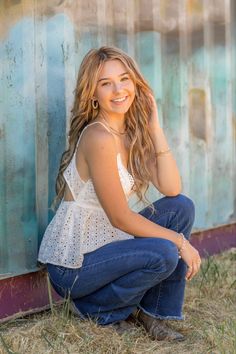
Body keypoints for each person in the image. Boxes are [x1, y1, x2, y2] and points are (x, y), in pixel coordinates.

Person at [38, 46, 201, 341]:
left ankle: (154, 313)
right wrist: (180, 242)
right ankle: (97, 309)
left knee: (181, 207)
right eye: (105, 83)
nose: (118, 89)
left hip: (107, 246)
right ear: (93, 94)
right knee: (164, 252)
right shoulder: (98, 136)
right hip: (74, 263)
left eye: (124, 79)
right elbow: (119, 217)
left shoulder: (130, 131)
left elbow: (172, 188)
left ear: (135, 83)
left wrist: (155, 127)